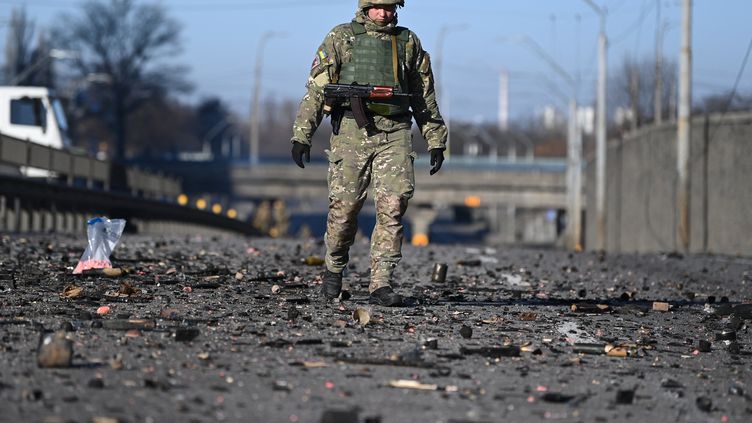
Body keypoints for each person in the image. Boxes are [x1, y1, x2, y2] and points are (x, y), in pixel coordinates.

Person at [290, 0, 447, 306]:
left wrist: (435, 139)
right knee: (345, 209)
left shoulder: (407, 42)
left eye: (388, 7)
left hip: (396, 132)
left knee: (393, 206)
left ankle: (381, 282)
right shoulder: (342, 37)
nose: (383, 13)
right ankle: (334, 267)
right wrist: (302, 135)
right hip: (351, 132)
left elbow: (423, 95)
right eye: (376, 7)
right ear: (365, 8)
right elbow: (317, 89)